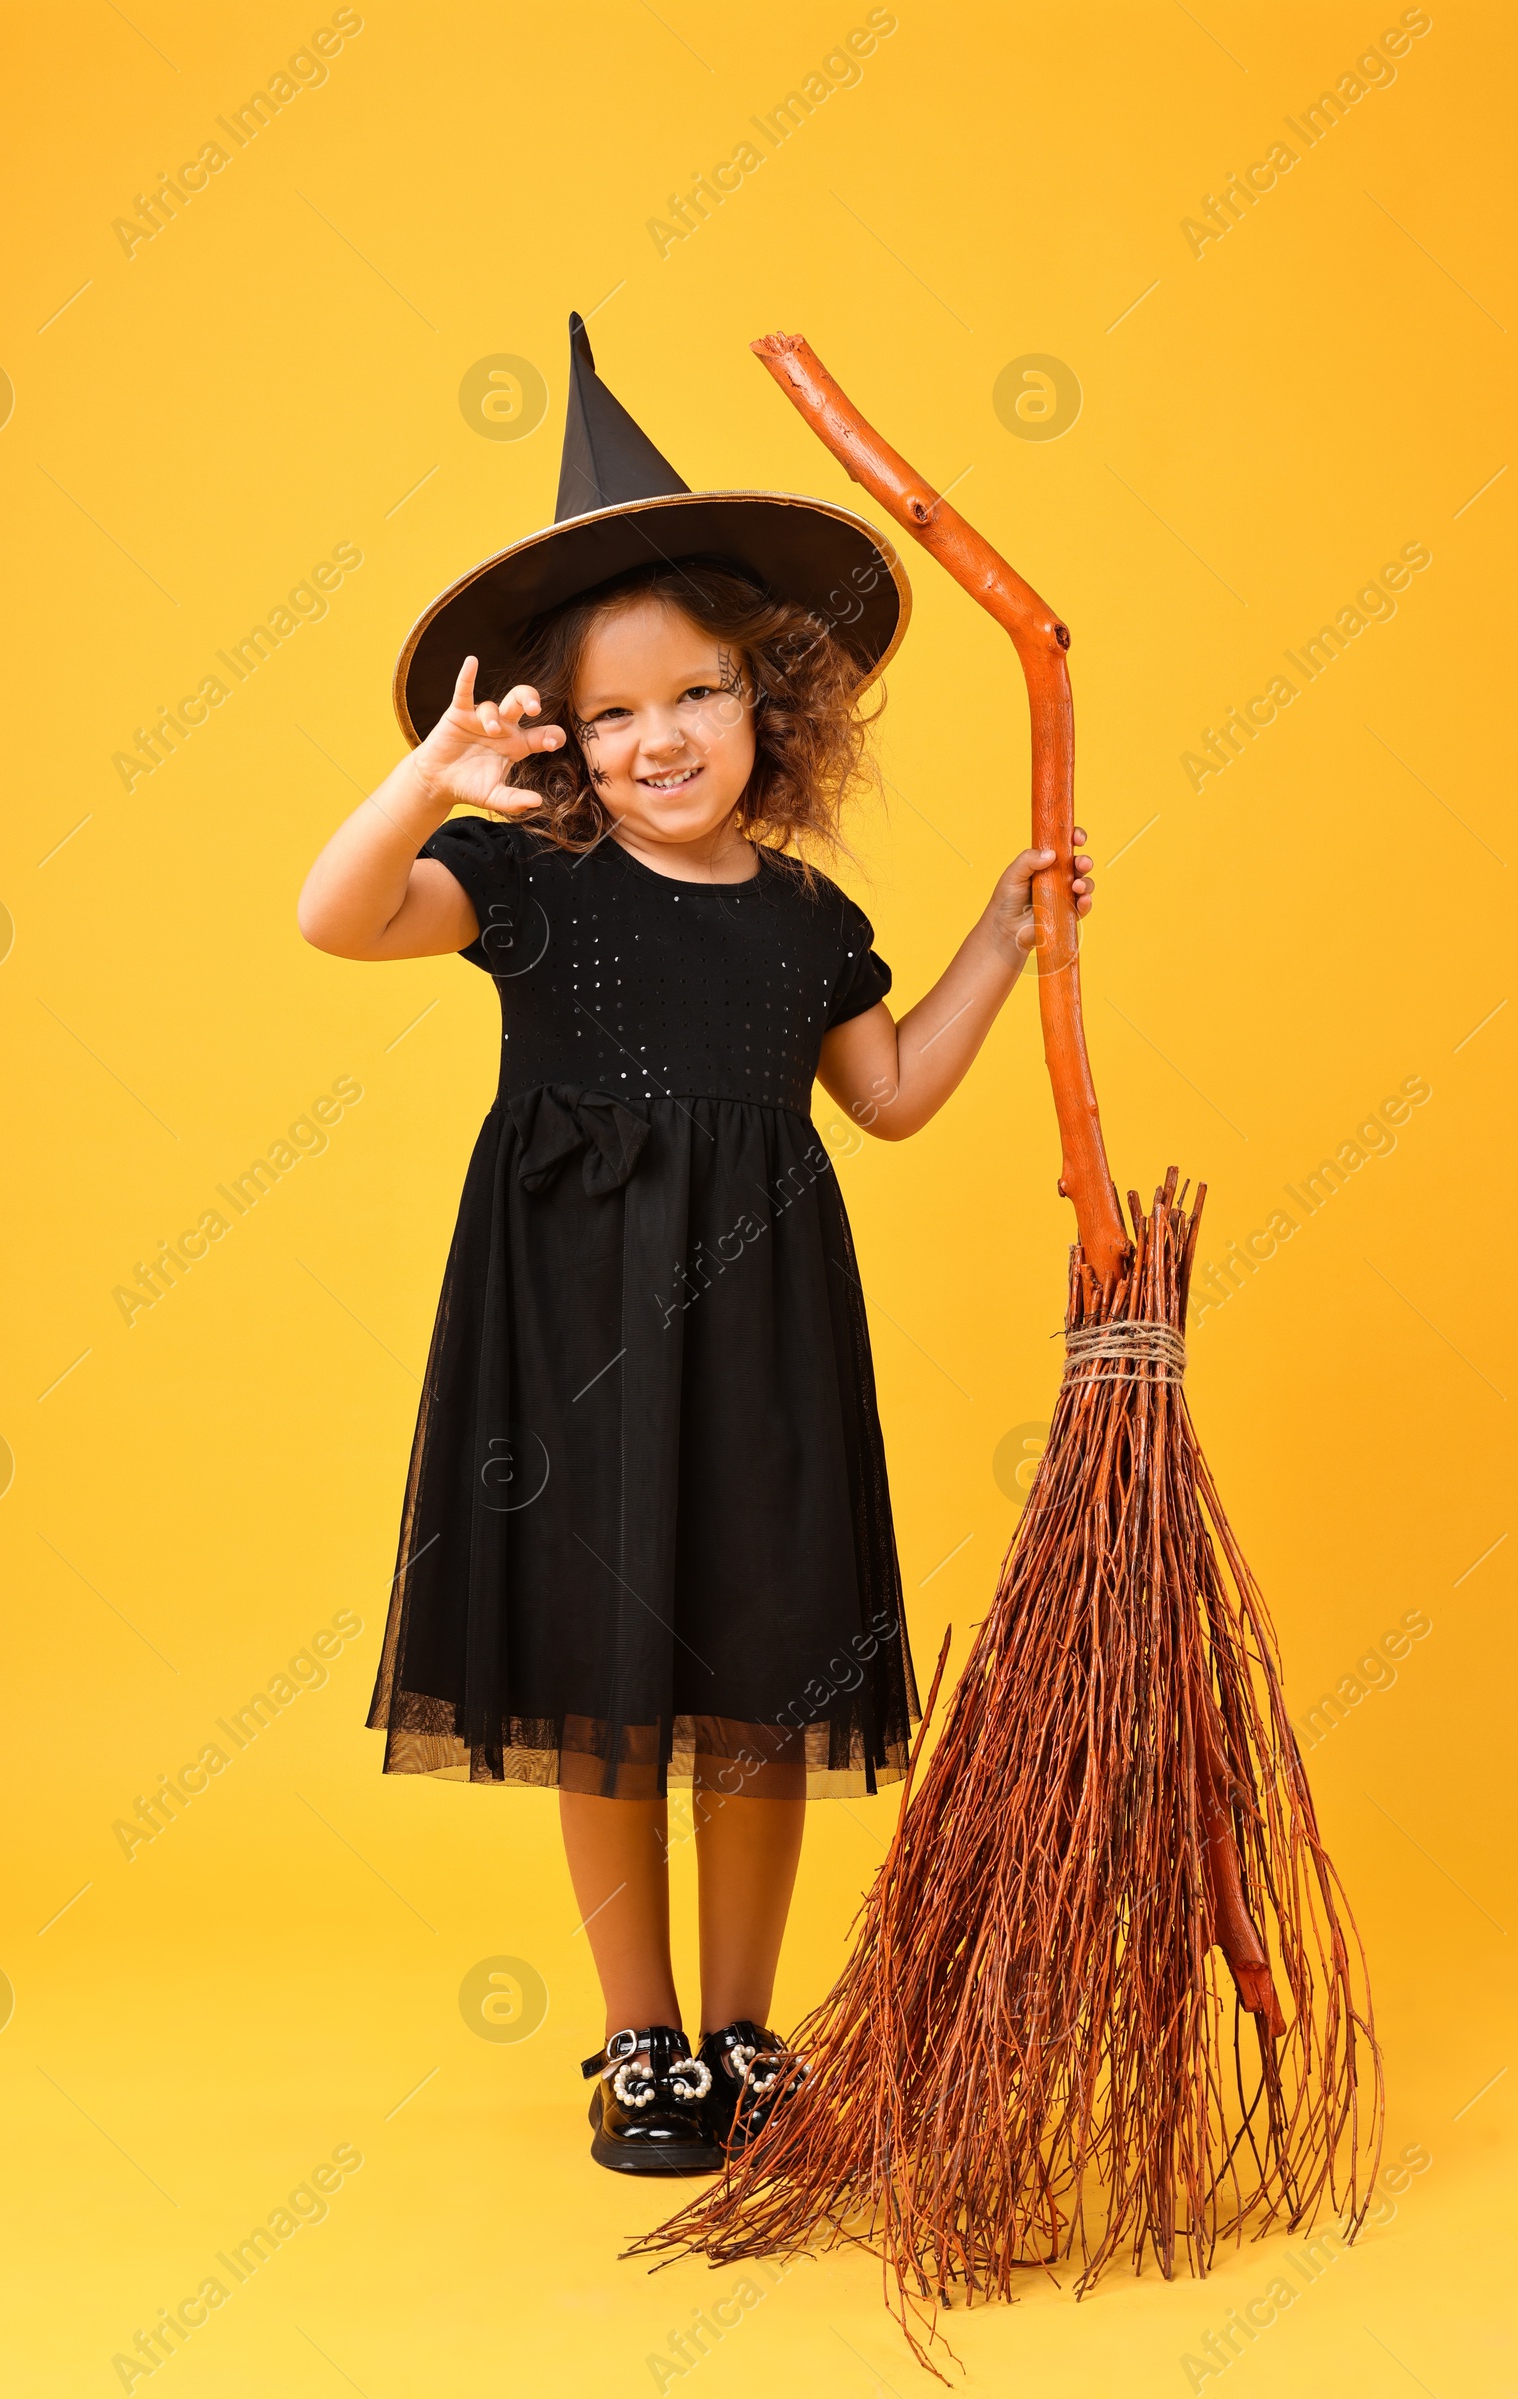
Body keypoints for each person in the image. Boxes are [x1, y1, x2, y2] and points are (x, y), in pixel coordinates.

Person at [296, 316, 1093, 2177]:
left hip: (766, 1348)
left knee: (763, 1677)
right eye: (615, 711)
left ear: (775, 710)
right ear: (562, 738)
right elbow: (335, 920)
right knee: (607, 1689)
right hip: (573, 1338)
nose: (661, 739)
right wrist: (428, 783)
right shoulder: (525, 882)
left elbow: (885, 1097)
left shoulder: (807, 915)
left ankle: (747, 2028)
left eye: (704, 697)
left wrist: (1001, 937)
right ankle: (640, 2037)